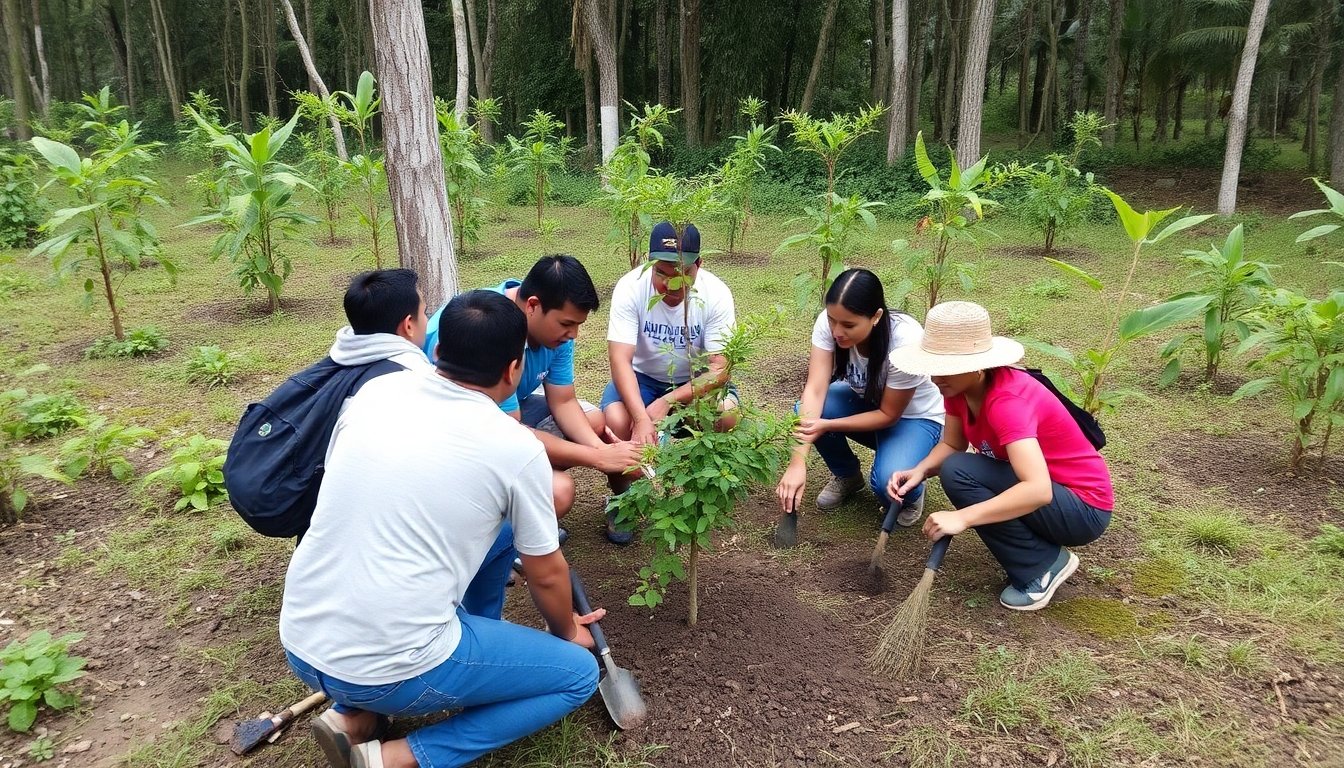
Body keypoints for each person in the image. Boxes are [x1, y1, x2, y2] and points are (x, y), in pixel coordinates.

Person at [281, 290, 602, 768]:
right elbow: (547, 574)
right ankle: (394, 758)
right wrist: (568, 630)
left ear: (435, 350)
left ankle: (353, 717)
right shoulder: (516, 448)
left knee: (499, 537)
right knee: (576, 674)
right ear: (514, 371)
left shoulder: (374, 393)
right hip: (391, 665)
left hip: (302, 642)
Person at [886, 301, 1113, 611]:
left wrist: (961, 518)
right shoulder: (957, 388)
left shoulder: (1007, 402)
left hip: (1083, 507)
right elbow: (952, 445)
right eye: (932, 367)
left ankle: (1042, 567)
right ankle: (1039, 552)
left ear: (979, 365)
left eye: (944, 368)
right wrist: (920, 470)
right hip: (1052, 496)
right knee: (956, 466)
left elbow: (1038, 489)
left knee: (959, 472)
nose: (935, 377)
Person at [423, 255, 642, 521]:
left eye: (577, 325)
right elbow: (509, 429)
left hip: (508, 412)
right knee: (559, 491)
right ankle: (511, 523)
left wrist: (602, 450)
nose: (573, 335)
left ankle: (525, 485)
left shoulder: (556, 334)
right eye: (566, 324)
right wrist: (597, 458)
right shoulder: (489, 327)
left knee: (593, 420)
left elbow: (563, 401)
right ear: (533, 305)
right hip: (454, 437)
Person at [601, 221, 738, 542]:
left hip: (694, 384)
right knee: (617, 420)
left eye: (682, 274)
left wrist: (667, 402)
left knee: (726, 413)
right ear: (649, 263)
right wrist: (640, 416)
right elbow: (620, 360)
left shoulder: (715, 294)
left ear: (699, 265)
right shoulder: (629, 288)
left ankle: (701, 494)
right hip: (642, 380)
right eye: (662, 273)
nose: (672, 285)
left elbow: (720, 369)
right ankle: (622, 499)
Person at [775, 268, 944, 524]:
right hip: (869, 404)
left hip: (914, 418)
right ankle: (848, 476)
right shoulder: (831, 321)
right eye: (832, 320)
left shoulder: (905, 340)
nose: (836, 331)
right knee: (806, 410)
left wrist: (828, 425)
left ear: (876, 316)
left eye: (849, 325)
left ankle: (913, 484)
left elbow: (889, 414)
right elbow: (815, 389)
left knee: (887, 483)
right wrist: (798, 461)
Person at [333, 268, 433, 384]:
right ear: (408, 325)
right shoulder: (417, 380)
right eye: (424, 313)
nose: (427, 319)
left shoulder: (333, 364)